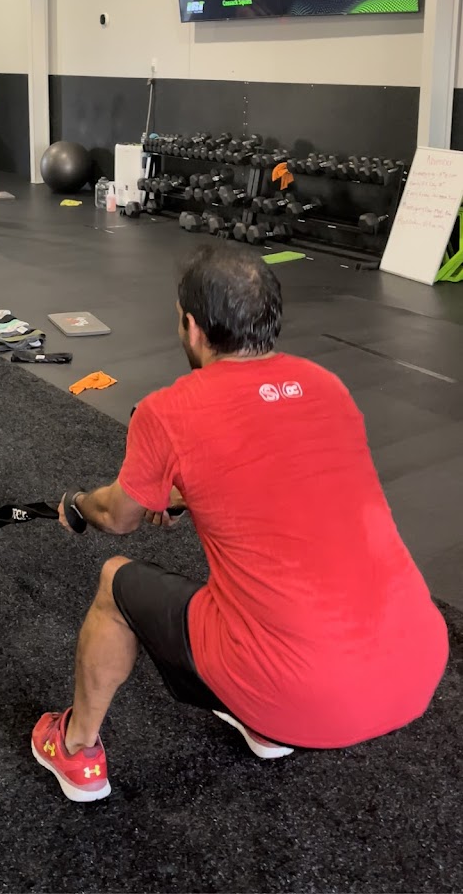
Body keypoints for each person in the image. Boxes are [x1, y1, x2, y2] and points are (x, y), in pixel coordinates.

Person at [32, 245, 449, 803]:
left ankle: (76, 749)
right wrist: (185, 492)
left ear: (192, 326)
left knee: (115, 583)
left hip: (303, 693)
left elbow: (118, 517)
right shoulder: (326, 386)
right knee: (257, 574)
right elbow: (287, 479)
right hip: (416, 664)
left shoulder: (169, 410)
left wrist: (79, 504)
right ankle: (264, 728)